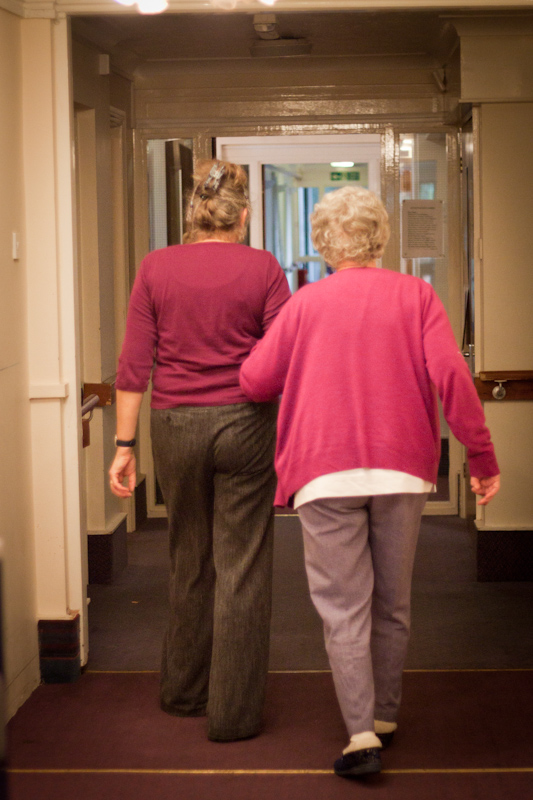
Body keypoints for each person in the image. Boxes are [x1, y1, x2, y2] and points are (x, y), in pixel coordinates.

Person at [239, 186, 500, 777]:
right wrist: (480, 458)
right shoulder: (418, 296)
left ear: (324, 244)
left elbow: (255, 381)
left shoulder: (305, 305)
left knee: (342, 606)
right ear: (381, 237)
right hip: (402, 467)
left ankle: (361, 736)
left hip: (323, 471)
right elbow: (453, 381)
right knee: (393, 602)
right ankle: (384, 713)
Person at [109, 159, 291, 742]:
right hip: (245, 423)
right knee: (241, 566)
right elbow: (284, 359)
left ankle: (183, 692)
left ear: (194, 213)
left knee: (188, 555)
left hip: (174, 426)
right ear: (241, 215)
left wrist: (123, 445)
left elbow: (135, 366)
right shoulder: (264, 269)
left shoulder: (156, 267)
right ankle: (233, 714)